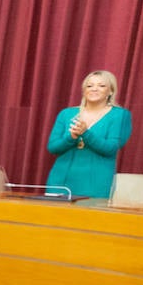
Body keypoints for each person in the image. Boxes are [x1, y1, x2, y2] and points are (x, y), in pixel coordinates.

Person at [45, 70, 132, 198]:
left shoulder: (120, 115)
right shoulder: (66, 114)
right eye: (89, 86)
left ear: (111, 91)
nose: (94, 89)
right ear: (84, 90)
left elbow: (111, 149)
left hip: (96, 185)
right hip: (60, 182)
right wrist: (72, 137)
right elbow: (53, 147)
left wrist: (85, 133)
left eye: (101, 86)